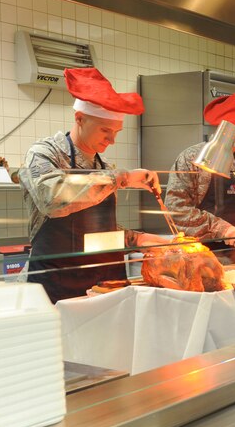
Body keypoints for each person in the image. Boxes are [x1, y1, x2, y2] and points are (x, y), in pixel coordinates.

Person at [20, 68, 165, 303]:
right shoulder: (44, 153)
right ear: (79, 119)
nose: (112, 140)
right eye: (105, 130)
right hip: (57, 282)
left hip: (104, 282)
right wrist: (121, 178)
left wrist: (140, 240)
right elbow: (52, 200)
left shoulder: (104, 166)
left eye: (116, 132)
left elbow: (95, 232)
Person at [164, 93, 235, 262]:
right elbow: (176, 209)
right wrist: (222, 229)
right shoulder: (192, 159)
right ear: (225, 130)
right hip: (202, 256)